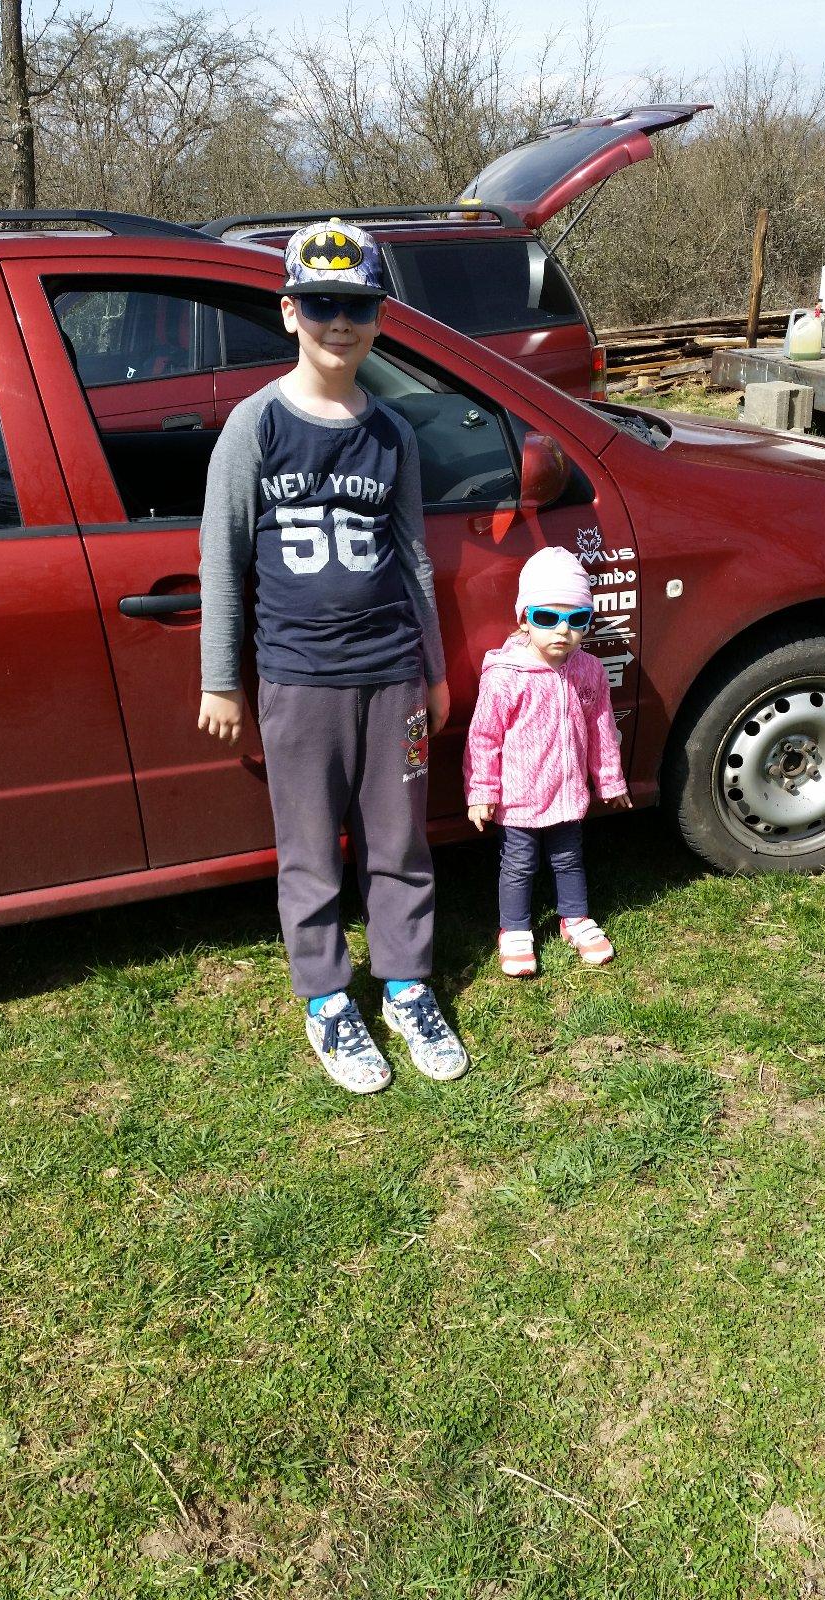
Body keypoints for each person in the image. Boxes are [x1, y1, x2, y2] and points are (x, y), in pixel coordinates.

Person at [197, 217, 468, 1092]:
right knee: (310, 849)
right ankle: (325, 998)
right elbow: (222, 557)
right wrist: (220, 678)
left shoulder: (391, 432)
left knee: (400, 841)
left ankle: (406, 983)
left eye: (355, 306)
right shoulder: (254, 425)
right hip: (299, 680)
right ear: (290, 312)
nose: (338, 323)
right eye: (319, 305)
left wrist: (433, 670)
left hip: (393, 677)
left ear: (380, 317)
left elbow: (413, 555)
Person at [464, 546, 632, 977]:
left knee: (569, 858)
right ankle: (515, 928)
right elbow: (483, 738)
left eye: (577, 619)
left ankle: (574, 918)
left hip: (568, 793)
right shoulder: (506, 675)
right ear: (524, 619)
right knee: (518, 864)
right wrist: (482, 792)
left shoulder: (589, 670)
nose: (562, 631)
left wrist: (610, 781)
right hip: (519, 799)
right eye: (546, 617)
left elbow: (601, 728)